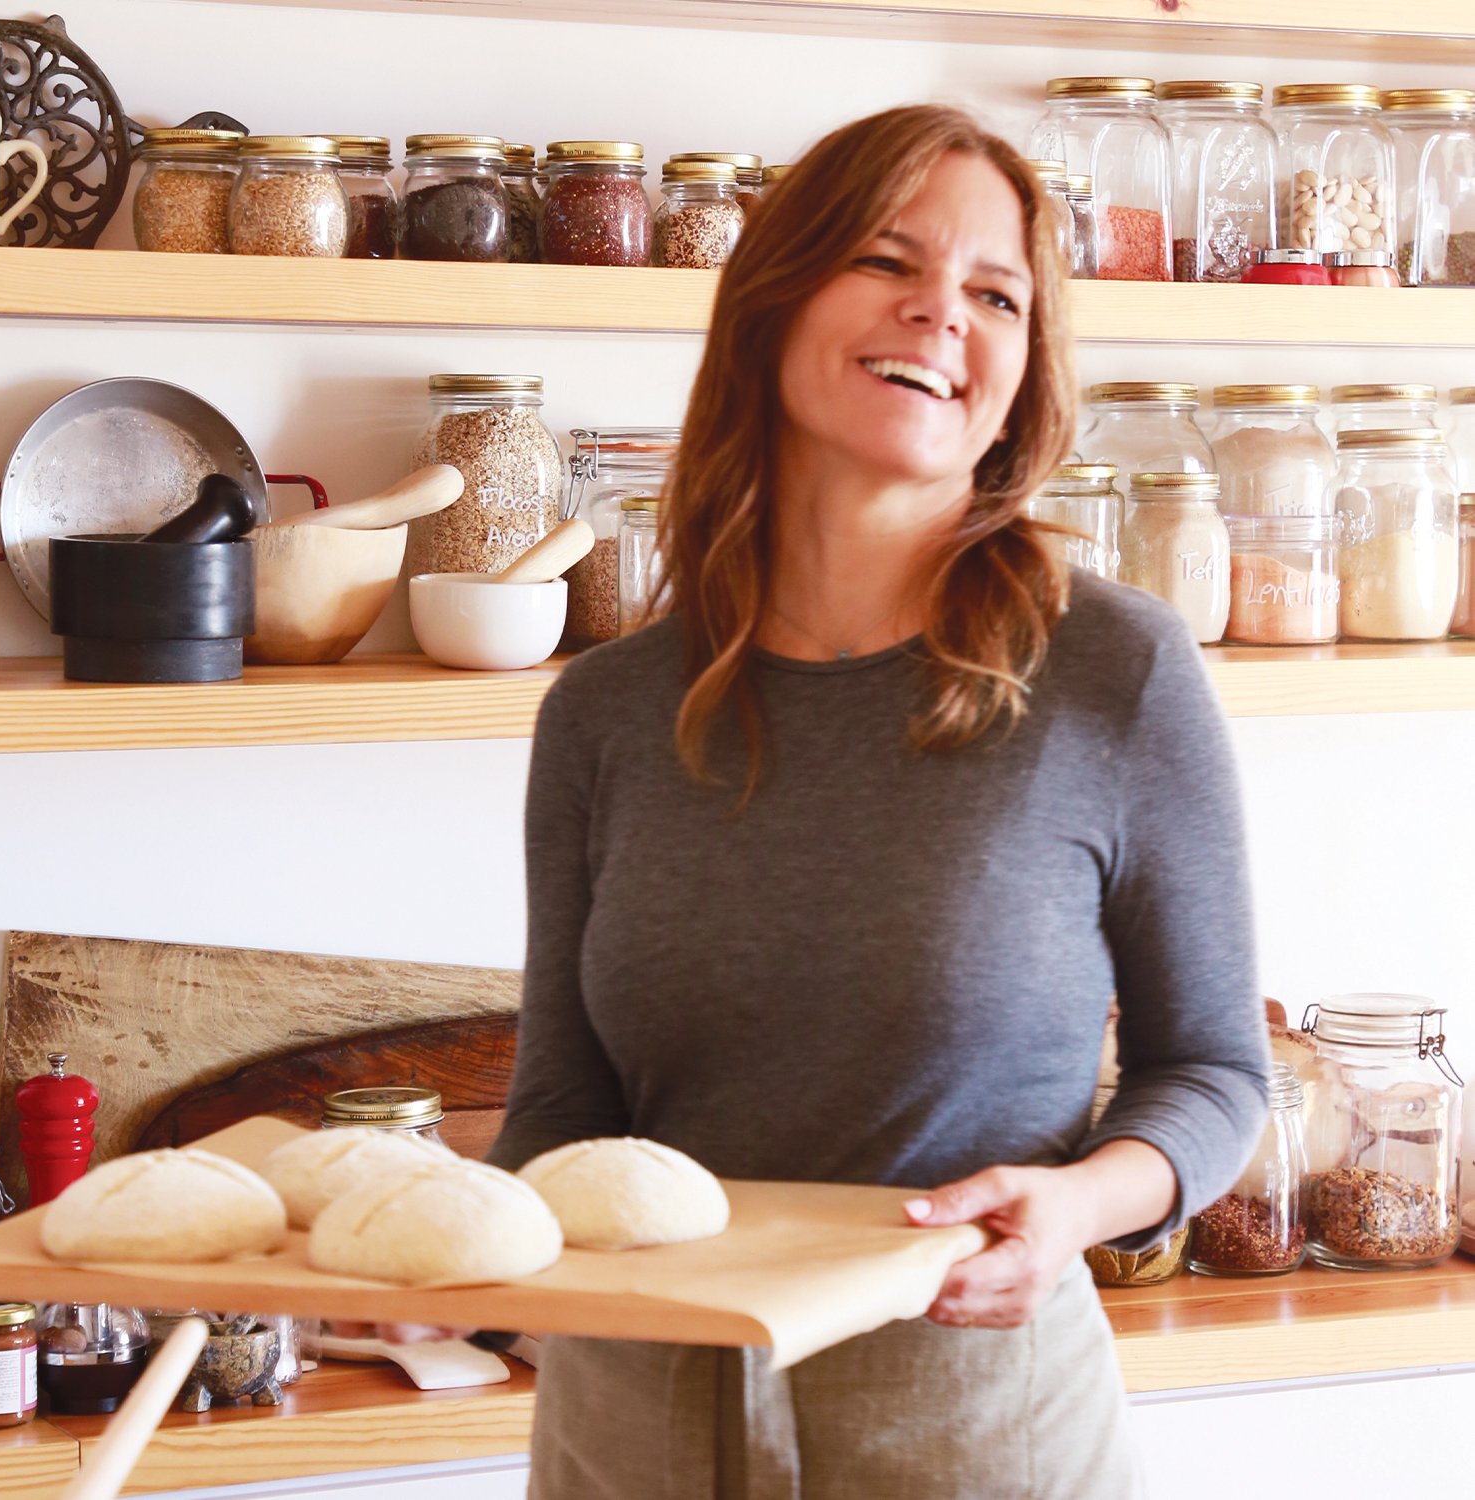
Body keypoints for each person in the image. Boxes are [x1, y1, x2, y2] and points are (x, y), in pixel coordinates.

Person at [486, 103, 1270, 1500]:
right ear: (773, 302)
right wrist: (455, 1265)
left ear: (1025, 371)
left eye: (994, 293)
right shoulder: (604, 712)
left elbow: (1213, 1077)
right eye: (883, 260)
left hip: (974, 1409)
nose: (938, 313)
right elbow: (564, 1103)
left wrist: (1077, 1207)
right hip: (639, 1418)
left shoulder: (1113, 671)